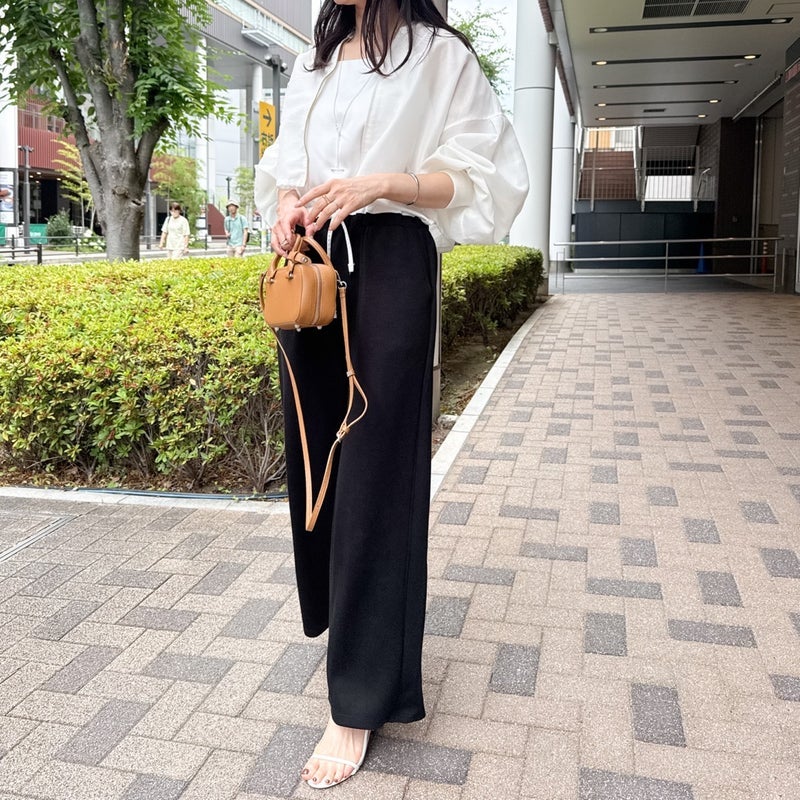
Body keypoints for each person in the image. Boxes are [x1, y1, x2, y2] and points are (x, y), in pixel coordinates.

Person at [254, 0, 527, 789]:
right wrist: (286, 207)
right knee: (318, 458)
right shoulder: (314, 59)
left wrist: (386, 182)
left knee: (377, 467)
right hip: (312, 260)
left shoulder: (438, 54)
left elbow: (484, 175)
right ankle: (343, 628)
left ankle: (360, 700)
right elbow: (286, 162)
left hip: (394, 257)